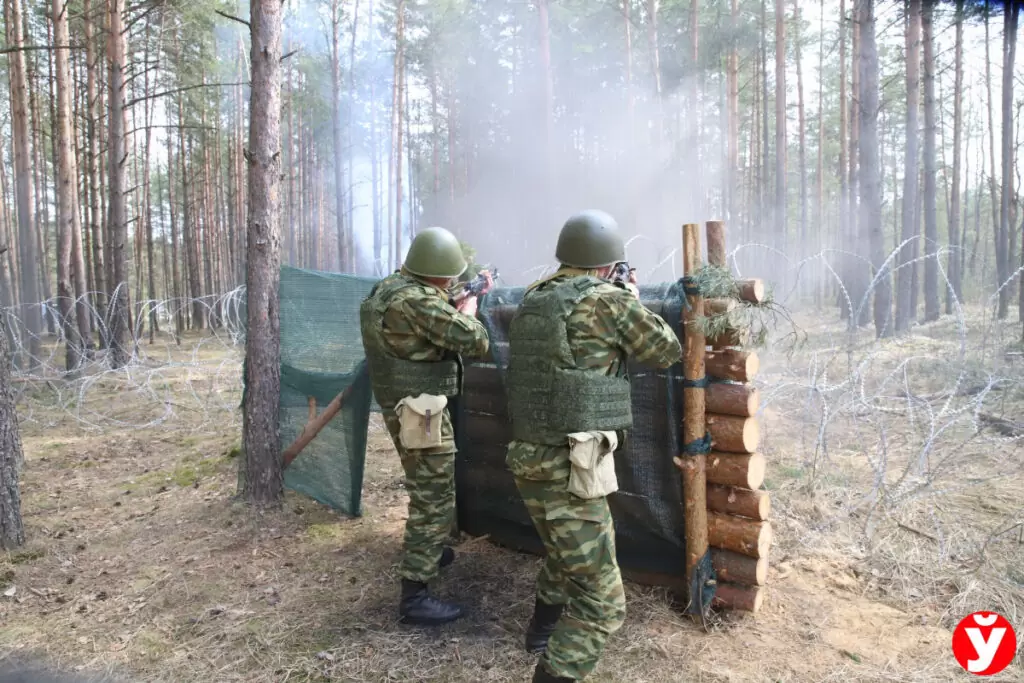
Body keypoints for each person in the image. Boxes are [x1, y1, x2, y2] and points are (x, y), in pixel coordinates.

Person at [504, 210, 682, 682]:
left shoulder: (534, 298)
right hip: (573, 466)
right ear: (608, 265)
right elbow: (665, 350)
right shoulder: (607, 300)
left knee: (568, 555)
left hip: (530, 457)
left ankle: (540, 633)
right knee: (603, 601)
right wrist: (630, 298)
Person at [359, 226, 492, 626]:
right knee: (433, 495)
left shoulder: (388, 289)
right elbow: (476, 340)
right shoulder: (419, 302)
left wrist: (452, 301)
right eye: (448, 276)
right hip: (422, 410)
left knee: (425, 485)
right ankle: (415, 596)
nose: (451, 282)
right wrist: (466, 309)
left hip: (402, 405)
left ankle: (430, 551)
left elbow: (416, 325)